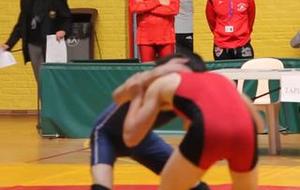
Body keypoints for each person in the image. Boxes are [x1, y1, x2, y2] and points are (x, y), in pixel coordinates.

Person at [121, 53, 264, 190]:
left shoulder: (164, 81)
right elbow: (259, 125)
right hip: (247, 133)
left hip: (208, 129)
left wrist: (136, 96)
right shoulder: (222, 79)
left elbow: (130, 137)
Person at [90, 55, 210, 190]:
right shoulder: (147, 82)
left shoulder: (182, 95)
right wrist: (157, 73)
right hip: (107, 136)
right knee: (101, 187)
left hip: (142, 138)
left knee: (195, 185)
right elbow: (117, 96)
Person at [0, 0, 72, 82]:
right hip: (33, 45)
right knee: (41, 80)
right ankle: (42, 95)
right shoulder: (25, 1)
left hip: (52, 44)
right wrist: (9, 44)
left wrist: (63, 30)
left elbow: (67, 18)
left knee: (54, 79)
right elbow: (21, 25)